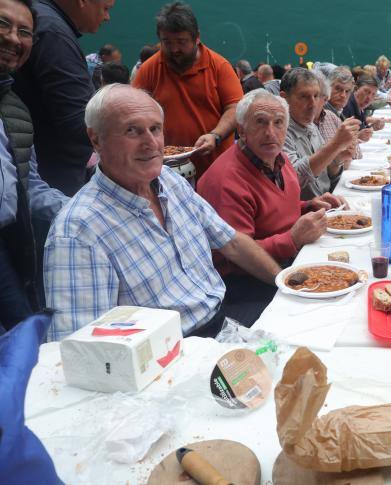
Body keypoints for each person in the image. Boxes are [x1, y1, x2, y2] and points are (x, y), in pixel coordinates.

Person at [44, 85, 284, 341]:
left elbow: (233, 243)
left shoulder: (170, 180)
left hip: (224, 317)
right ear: (96, 139)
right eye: (132, 130)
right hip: (171, 355)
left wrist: (285, 284)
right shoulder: (77, 233)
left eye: (155, 129)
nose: (150, 143)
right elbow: (80, 348)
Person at [198, 91, 345, 306]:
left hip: (285, 261)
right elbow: (238, 257)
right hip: (244, 285)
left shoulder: (278, 158)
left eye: (278, 123)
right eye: (260, 122)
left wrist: (306, 206)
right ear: (241, 130)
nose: (270, 132)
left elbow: (272, 208)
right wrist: (292, 239)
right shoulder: (226, 181)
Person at [13, 0, 118, 196]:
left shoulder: (39, 17)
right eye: (106, 8)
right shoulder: (54, 33)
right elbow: (78, 121)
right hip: (54, 177)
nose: (107, 17)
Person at [0, 0, 69, 333]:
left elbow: (29, 184)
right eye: (3, 25)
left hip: (8, 250)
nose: (14, 38)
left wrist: (77, 209)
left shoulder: (15, 109)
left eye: (24, 31)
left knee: (24, 341)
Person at [132, 0, 242, 178]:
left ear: (196, 37)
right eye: (167, 42)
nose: (174, 49)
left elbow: (235, 107)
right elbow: (132, 109)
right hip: (167, 170)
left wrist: (215, 135)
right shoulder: (149, 69)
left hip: (215, 169)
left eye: (181, 42)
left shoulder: (219, 66)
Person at [281, 68, 361, 200]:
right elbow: (294, 179)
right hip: (305, 214)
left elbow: (327, 178)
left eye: (316, 96)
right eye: (304, 96)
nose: (313, 104)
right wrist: (335, 145)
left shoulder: (311, 125)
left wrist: (337, 159)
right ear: (284, 98)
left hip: (325, 204)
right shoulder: (279, 131)